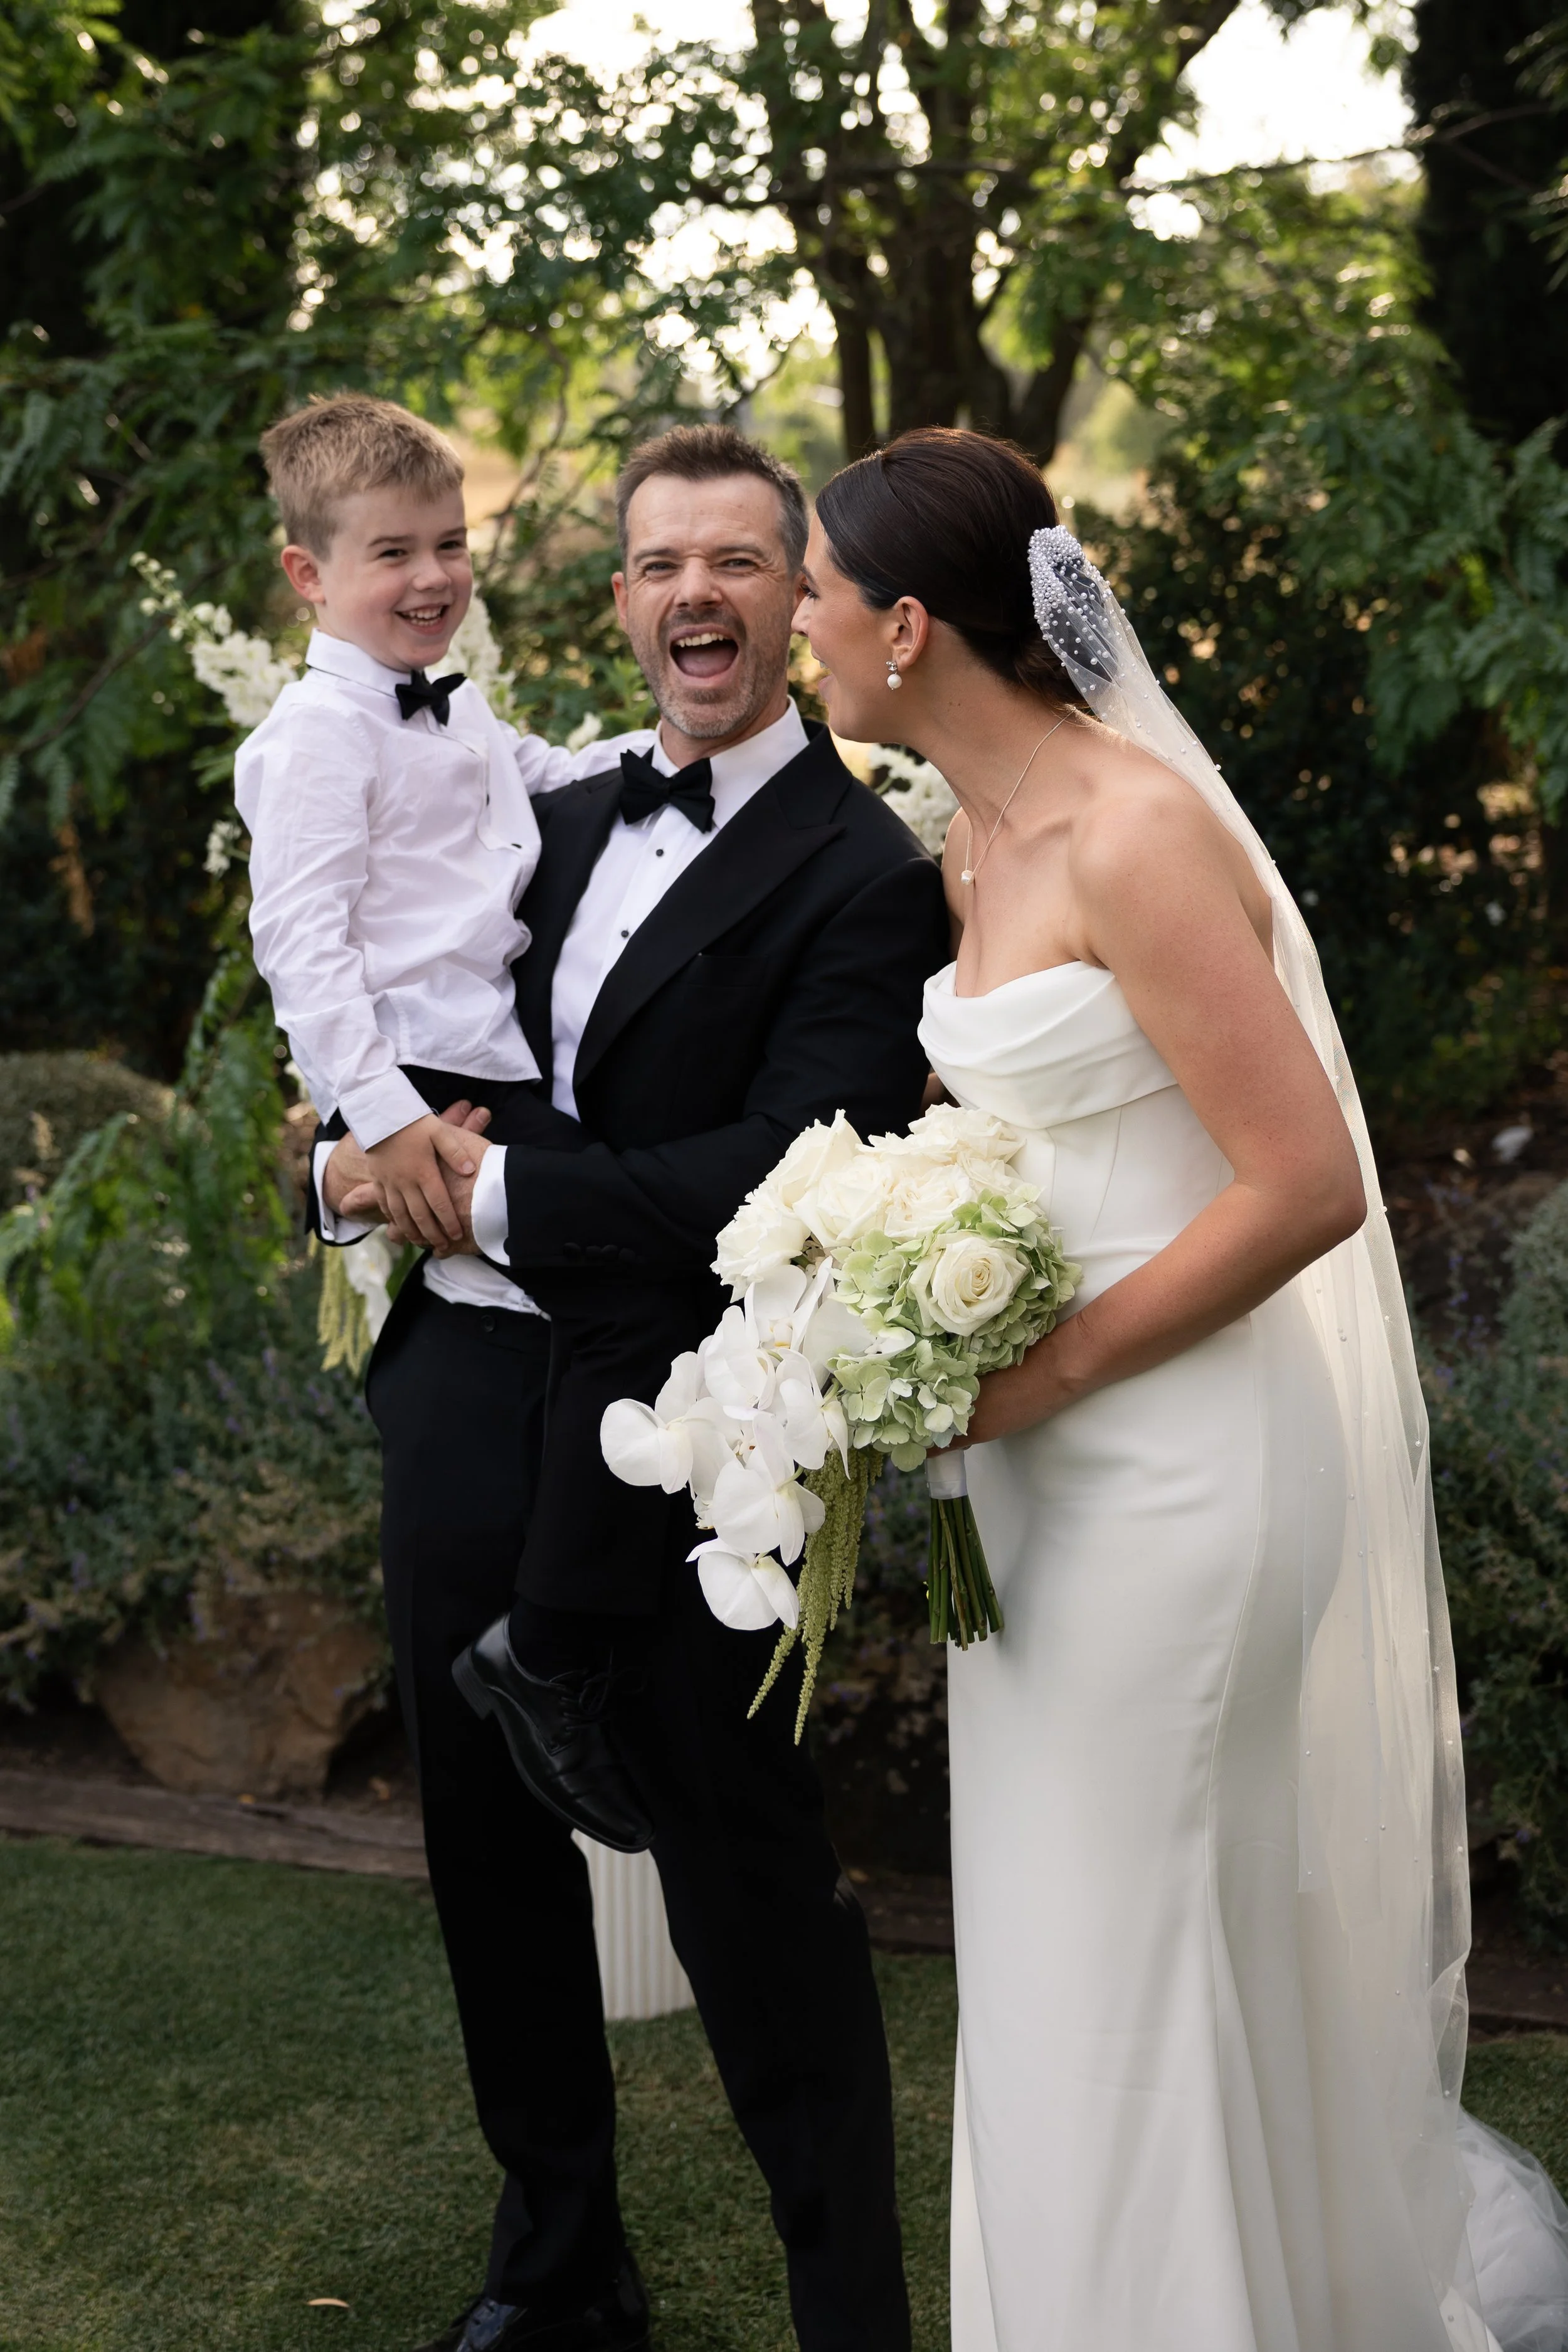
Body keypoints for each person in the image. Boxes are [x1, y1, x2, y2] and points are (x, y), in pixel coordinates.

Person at [795, 425, 1568, 2352]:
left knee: (1121, 1952)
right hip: (1037, 1486)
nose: (794, 620)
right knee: (1066, 1949)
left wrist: (1034, 1370)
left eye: (812, 589)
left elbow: (1305, 1179)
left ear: (904, 625)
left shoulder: (1131, 831)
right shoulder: (969, 831)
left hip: (1178, 1477)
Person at [318, 423, 950, 2352]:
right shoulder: (559, 814)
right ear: (617, 598)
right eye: (661, 563)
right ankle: (560, 2268)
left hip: (691, 1425)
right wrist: (338, 1156)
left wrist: (490, 1184)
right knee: (483, 1847)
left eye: (742, 563)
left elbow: (780, 1162)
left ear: (799, 596)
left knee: (741, 1858)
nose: (698, 596)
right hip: (463, 1381)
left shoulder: (861, 874)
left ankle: (845, 2303)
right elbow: (398, 1014)